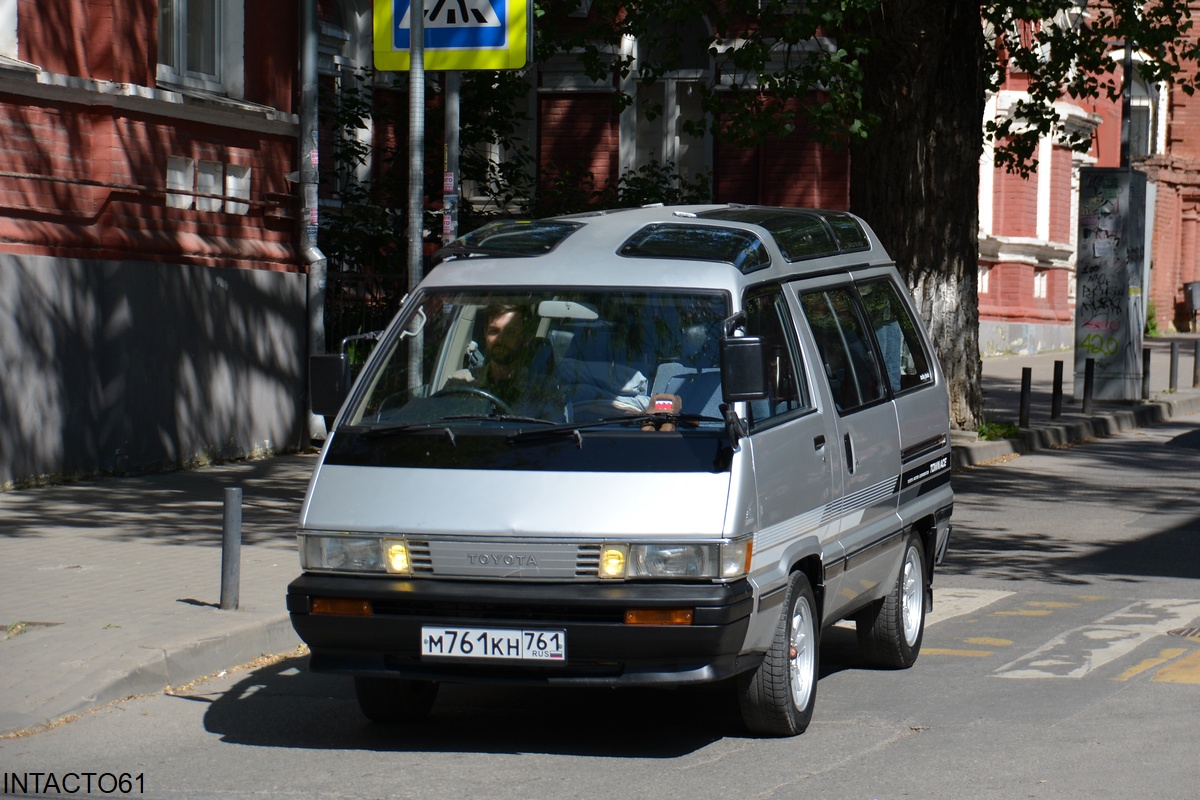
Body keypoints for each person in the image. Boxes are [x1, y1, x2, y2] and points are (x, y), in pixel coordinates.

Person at [446, 303, 564, 419]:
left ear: (526, 338)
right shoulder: (460, 383)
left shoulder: (542, 391)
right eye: (494, 331)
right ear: (485, 333)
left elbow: (555, 435)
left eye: (510, 332)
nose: (500, 339)